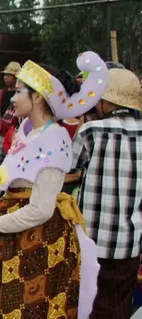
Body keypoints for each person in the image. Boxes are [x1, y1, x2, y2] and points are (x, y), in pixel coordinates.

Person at [0, 54, 105, 318]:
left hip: (37, 241)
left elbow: (40, 209)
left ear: (37, 97)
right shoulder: (27, 130)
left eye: (19, 92)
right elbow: (8, 182)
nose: (12, 99)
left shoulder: (54, 139)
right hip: (15, 234)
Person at [72, 67, 142, 318]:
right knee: (118, 308)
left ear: (104, 100)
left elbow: (70, 166)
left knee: (88, 307)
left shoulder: (91, 132)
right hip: (129, 246)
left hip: (91, 243)